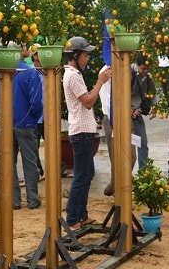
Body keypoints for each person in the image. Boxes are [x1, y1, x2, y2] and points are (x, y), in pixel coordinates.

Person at [63, 36, 111, 230]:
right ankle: (73, 218)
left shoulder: (74, 73)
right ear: (75, 55)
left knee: (86, 173)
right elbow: (88, 101)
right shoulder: (72, 75)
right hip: (81, 132)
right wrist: (100, 82)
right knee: (82, 175)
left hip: (84, 130)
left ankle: (81, 215)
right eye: (85, 55)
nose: (87, 58)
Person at [10, 44, 44, 209]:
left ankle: (14, 200)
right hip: (26, 123)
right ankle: (32, 199)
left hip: (8, 122)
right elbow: (36, 102)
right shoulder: (30, 73)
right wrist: (34, 118)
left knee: (9, 163)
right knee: (30, 162)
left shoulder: (3, 72)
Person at [99, 65, 136, 196]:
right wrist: (114, 121)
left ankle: (114, 185)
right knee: (116, 156)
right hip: (112, 118)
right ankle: (117, 189)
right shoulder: (105, 72)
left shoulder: (126, 68)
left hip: (126, 117)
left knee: (131, 156)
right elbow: (108, 99)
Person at [131, 54, 156, 169]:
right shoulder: (129, 75)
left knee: (142, 143)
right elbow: (119, 95)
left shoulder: (149, 78)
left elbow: (153, 93)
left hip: (137, 115)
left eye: (147, 68)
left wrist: (153, 106)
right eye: (142, 68)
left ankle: (143, 173)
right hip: (126, 114)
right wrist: (130, 111)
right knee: (127, 148)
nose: (145, 71)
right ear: (137, 66)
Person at [31, 44, 45, 181]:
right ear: (34, 56)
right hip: (36, 117)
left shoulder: (48, 72)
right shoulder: (31, 73)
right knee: (33, 146)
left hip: (47, 115)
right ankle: (38, 171)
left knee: (53, 144)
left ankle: (57, 168)